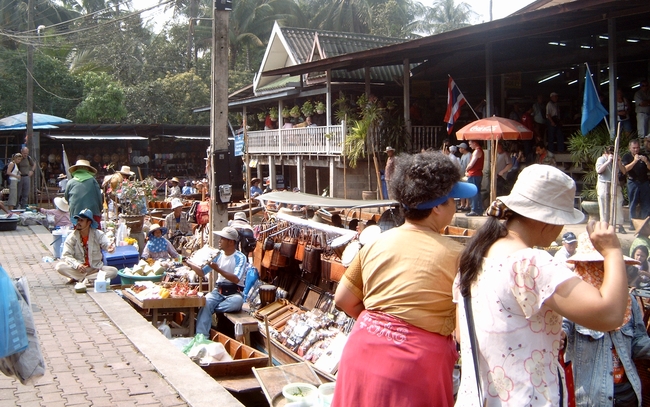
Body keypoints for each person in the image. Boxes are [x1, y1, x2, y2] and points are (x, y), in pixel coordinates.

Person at [454, 164, 627, 407]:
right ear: (547, 219)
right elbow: (609, 315)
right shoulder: (531, 263)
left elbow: (461, 333)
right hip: (527, 398)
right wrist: (612, 251)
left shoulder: (473, 258)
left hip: (477, 398)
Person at [332, 151, 477, 407]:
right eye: (453, 200)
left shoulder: (375, 244)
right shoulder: (459, 256)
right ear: (436, 208)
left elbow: (343, 299)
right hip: (415, 367)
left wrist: (384, 327)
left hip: (361, 350)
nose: (455, 207)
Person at [563, 235, 650, 407]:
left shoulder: (627, 300)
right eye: (601, 265)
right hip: (590, 397)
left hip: (627, 392)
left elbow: (639, 341)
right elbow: (562, 331)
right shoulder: (572, 300)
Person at [195, 227, 248, 337]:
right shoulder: (217, 255)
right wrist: (191, 264)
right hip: (218, 291)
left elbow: (235, 279)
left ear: (231, 242)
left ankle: (212, 308)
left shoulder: (240, 257)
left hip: (234, 293)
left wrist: (218, 269)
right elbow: (201, 272)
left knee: (236, 302)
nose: (219, 241)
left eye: (222, 239)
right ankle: (201, 336)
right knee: (206, 301)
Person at [55, 208, 118, 284]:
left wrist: (109, 248)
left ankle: (83, 279)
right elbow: (66, 255)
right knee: (59, 266)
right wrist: (77, 265)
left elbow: (106, 244)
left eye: (81, 220)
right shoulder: (72, 236)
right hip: (79, 270)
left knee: (113, 271)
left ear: (88, 223)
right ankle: (88, 279)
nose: (78, 223)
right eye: (78, 220)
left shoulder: (98, 234)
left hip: (95, 269)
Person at [596, 146, 627, 234]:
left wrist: (619, 162)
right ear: (606, 153)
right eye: (610, 153)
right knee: (603, 205)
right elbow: (599, 170)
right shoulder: (601, 159)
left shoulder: (616, 159)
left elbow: (624, 171)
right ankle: (604, 225)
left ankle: (620, 225)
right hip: (603, 184)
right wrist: (608, 161)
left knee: (618, 203)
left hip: (615, 184)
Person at [65, 160, 103, 229]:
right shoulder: (93, 181)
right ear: (88, 170)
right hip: (93, 213)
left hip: (76, 214)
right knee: (95, 236)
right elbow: (99, 198)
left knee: (78, 235)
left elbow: (67, 198)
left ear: (76, 170)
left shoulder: (70, 182)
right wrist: (100, 210)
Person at [622, 139, 650, 226]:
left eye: (637, 148)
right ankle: (633, 223)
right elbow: (625, 169)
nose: (636, 150)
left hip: (644, 182)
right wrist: (634, 161)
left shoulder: (644, 155)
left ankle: (644, 224)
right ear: (629, 148)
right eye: (634, 148)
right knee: (633, 203)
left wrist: (646, 161)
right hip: (633, 181)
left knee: (646, 203)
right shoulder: (627, 157)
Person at [465, 140, 484, 216]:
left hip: (474, 174)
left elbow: (471, 164)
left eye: (470, 144)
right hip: (477, 174)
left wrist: (466, 169)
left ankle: (474, 209)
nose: (470, 146)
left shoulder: (477, 151)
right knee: (477, 192)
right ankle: (479, 209)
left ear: (475, 143)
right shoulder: (480, 151)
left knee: (473, 192)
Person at [458, 142, 472, 212]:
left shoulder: (469, 155)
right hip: (462, 175)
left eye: (460, 148)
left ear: (463, 148)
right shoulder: (463, 156)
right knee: (462, 190)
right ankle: (462, 204)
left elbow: (469, 165)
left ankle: (467, 205)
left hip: (467, 175)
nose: (459, 149)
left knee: (467, 190)